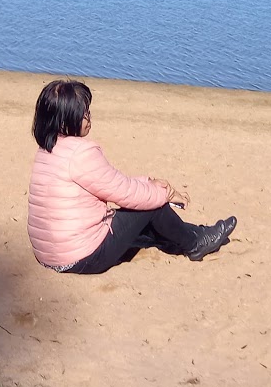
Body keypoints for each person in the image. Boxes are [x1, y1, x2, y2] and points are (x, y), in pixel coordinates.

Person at [27, 79, 236, 274]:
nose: (89, 117)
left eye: (88, 111)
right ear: (65, 120)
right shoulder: (81, 153)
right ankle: (196, 243)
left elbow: (114, 184)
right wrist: (165, 193)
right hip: (81, 257)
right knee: (151, 205)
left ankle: (190, 234)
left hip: (48, 255)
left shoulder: (47, 150)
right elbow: (126, 193)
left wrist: (149, 182)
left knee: (144, 203)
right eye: (83, 113)